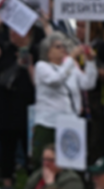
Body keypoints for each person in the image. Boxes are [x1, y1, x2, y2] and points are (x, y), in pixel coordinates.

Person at [32, 32, 97, 166]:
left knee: (69, 163)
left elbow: (88, 83)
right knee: (45, 162)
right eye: (58, 47)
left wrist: (90, 62)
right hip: (48, 123)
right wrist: (72, 57)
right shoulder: (41, 66)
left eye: (63, 46)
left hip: (69, 122)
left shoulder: (70, 67)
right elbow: (55, 80)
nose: (63, 49)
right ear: (47, 51)